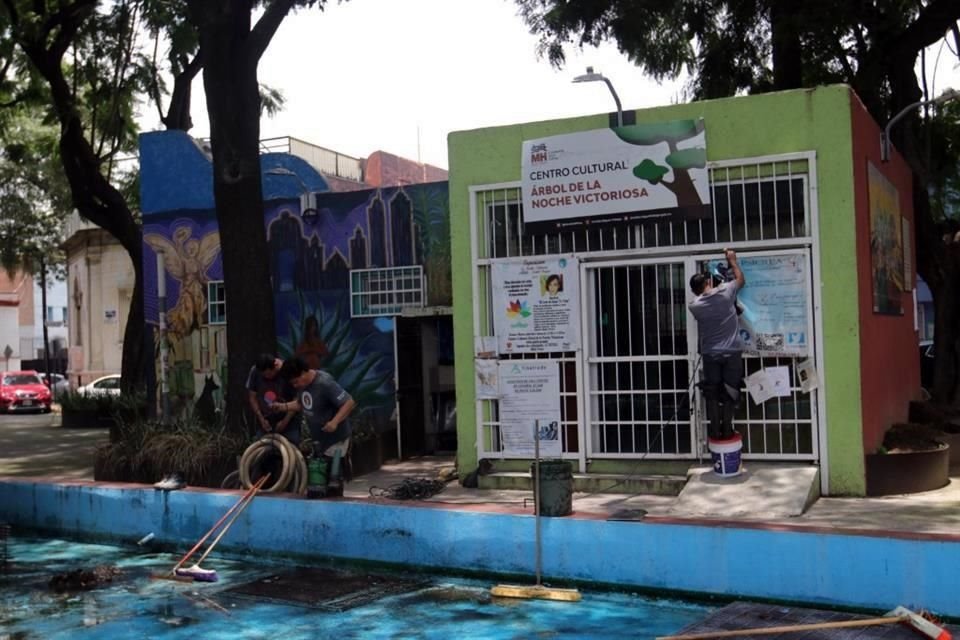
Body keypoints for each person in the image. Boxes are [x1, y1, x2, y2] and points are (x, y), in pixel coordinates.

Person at [274, 356, 357, 492]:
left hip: (336, 439)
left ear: (303, 372)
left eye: (296, 382)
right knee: (318, 480)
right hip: (320, 439)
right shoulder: (303, 386)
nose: (295, 386)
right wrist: (283, 407)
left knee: (333, 479)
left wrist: (334, 422)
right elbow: (302, 404)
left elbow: (349, 402)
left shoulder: (324, 383)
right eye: (292, 384)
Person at [688, 249, 746, 441]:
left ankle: (714, 431)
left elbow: (702, 296)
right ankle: (727, 429)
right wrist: (732, 261)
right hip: (731, 353)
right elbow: (740, 280)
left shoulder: (694, 306)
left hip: (710, 354)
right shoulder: (725, 292)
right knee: (731, 389)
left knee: (712, 392)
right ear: (707, 283)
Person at [245, 354, 299, 445]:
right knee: (261, 449)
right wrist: (261, 418)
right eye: (264, 374)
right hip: (266, 420)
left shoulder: (286, 371)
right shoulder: (255, 371)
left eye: (269, 373)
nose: (267, 376)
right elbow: (252, 397)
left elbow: (297, 399)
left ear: (275, 366)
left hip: (289, 420)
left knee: (290, 449)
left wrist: (285, 421)